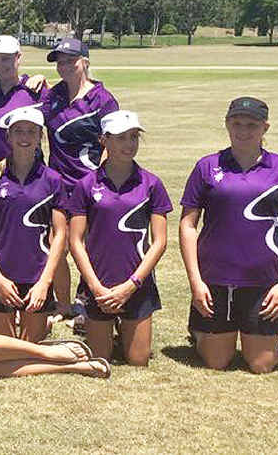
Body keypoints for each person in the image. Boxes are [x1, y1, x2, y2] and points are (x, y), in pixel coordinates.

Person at [179, 97, 278, 374]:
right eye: (236, 123)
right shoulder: (207, 166)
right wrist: (196, 281)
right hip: (216, 278)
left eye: (252, 125)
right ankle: (200, 330)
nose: (243, 131)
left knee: (261, 364)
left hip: (264, 279)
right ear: (227, 124)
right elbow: (188, 225)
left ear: (265, 128)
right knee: (216, 362)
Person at [67, 111, 170, 365]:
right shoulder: (86, 185)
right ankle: (97, 323)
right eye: (121, 137)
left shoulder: (152, 184)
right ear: (104, 140)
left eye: (134, 136)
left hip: (137, 284)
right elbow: (75, 241)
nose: (129, 144)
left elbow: (159, 241)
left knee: (138, 360)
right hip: (98, 285)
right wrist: (95, 287)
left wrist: (131, 285)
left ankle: (122, 328)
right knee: (99, 359)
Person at [40, 37, 120, 320]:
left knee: (89, 247)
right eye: (59, 62)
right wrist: (30, 80)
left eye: (70, 61)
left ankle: (88, 301)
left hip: (90, 185)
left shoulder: (102, 99)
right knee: (57, 245)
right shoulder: (52, 97)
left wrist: (102, 181)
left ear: (84, 62)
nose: (63, 66)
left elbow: (113, 142)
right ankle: (63, 304)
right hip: (59, 185)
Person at [0, 107, 66, 343]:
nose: (25, 137)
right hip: (1, 274)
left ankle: (43, 324)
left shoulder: (53, 180)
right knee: (5, 349)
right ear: (8, 136)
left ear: (40, 137)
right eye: (18, 131)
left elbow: (60, 234)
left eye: (31, 132)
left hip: (37, 274)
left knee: (29, 349)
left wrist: (45, 282)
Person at [0, 35, 45, 174]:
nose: (0, 65)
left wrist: (44, 80)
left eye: (5, 59)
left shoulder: (35, 89)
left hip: (30, 177)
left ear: (18, 57)